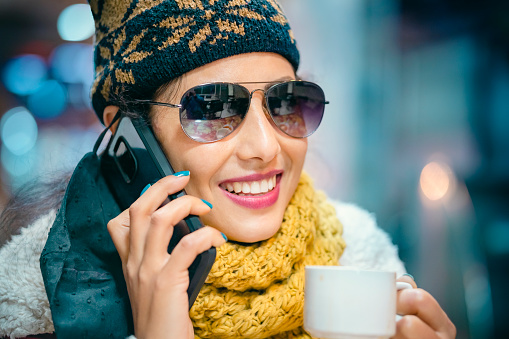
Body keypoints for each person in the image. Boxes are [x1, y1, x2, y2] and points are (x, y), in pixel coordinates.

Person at [0, 0, 456, 338]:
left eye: (286, 102)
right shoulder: (38, 295)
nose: (266, 147)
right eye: (213, 108)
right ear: (129, 134)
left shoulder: (360, 255)